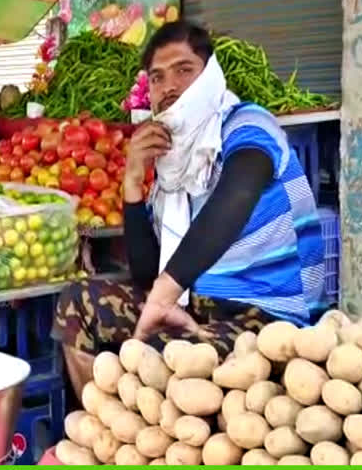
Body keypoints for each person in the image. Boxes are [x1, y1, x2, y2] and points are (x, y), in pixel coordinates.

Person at [53, 21, 326, 398]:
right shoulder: (171, 161)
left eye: (184, 70)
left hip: (268, 316)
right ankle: (100, 435)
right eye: (157, 77)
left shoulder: (248, 125)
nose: (169, 87)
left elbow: (238, 194)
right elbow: (149, 273)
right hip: (196, 307)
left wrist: (164, 295)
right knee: (77, 303)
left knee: (166, 362)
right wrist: (133, 184)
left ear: (210, 75)